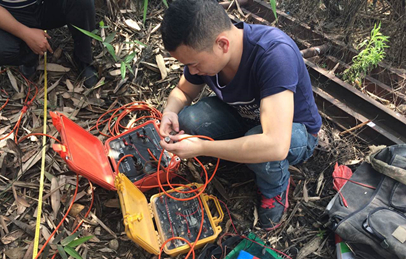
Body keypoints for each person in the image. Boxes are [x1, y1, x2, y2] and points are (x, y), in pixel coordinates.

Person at [159, 0, 321, 231]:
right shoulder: (207, 50)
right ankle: (240, 151)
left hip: (295, 133)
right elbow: (183, 91)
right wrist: (169, 112)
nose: (192, 71)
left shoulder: (274, 54)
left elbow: (275, 145)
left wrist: (202, 148)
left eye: (193, 64)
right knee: (188, 120)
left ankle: (275, 190)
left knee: (262, 149)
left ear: (222, 44)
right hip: (244, 116)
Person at [0, 0, 98, 87]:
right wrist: (25, 33)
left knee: (83, 2)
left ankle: (83, 57)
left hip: (43, 5)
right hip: (10, 14)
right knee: (3, 49)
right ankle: (28, 56)